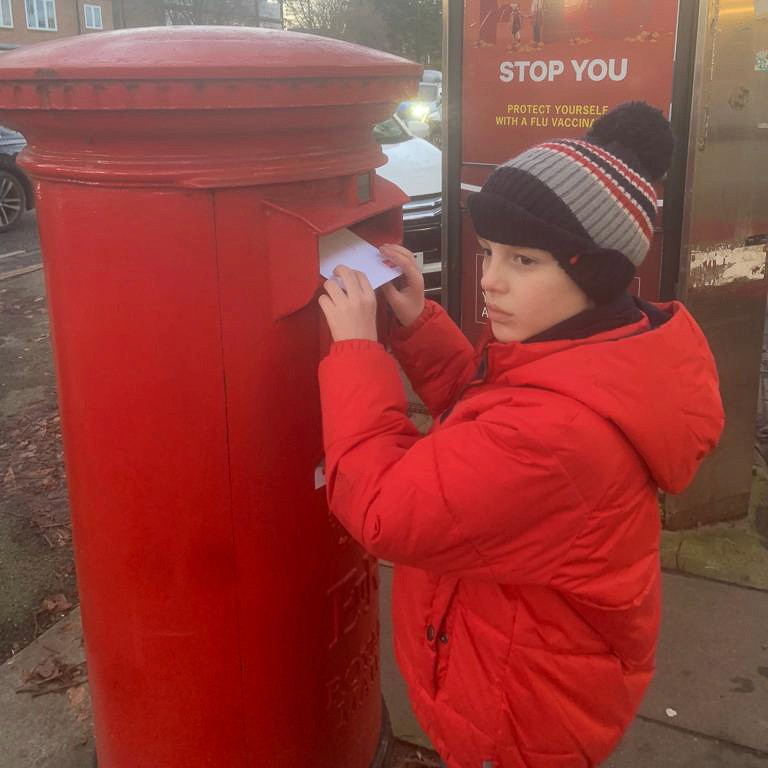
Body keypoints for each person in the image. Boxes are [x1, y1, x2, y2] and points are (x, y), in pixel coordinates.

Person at [317, 102, 724, 768]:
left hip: (515, 716)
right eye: (489, 253)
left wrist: (359, 352)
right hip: (527, 670)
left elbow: (386, 509)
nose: (488, 281)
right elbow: (487, 413)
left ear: (593, 274)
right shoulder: (598, 355)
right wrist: (419, 323)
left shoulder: (559, 436)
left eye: (524, 261)